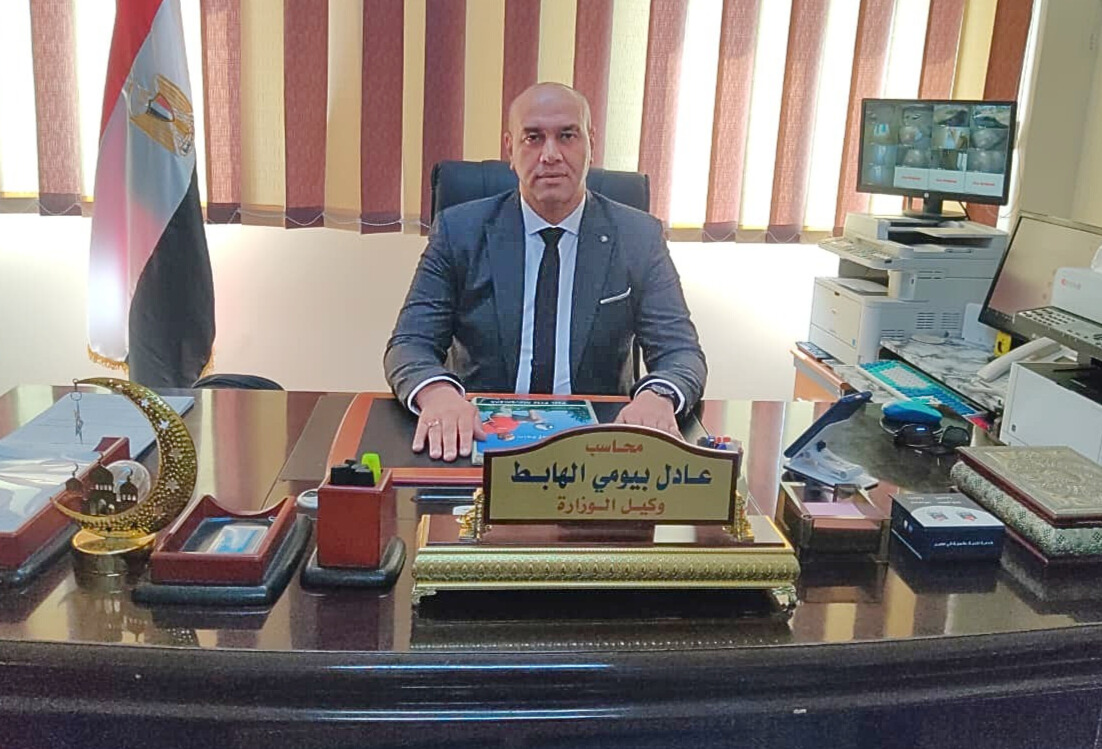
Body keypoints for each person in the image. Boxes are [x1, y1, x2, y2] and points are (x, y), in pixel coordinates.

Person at [385, 82, 707, 462]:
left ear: (590, 143)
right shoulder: (460, 232)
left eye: (567, 136)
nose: (550, 155)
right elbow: (410, 343)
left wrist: (658, 396)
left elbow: (680, 352)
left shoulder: (638, 236)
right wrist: (439, 395)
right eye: (533, 137)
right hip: (481, 436)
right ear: (510, 149)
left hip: (600, 446)